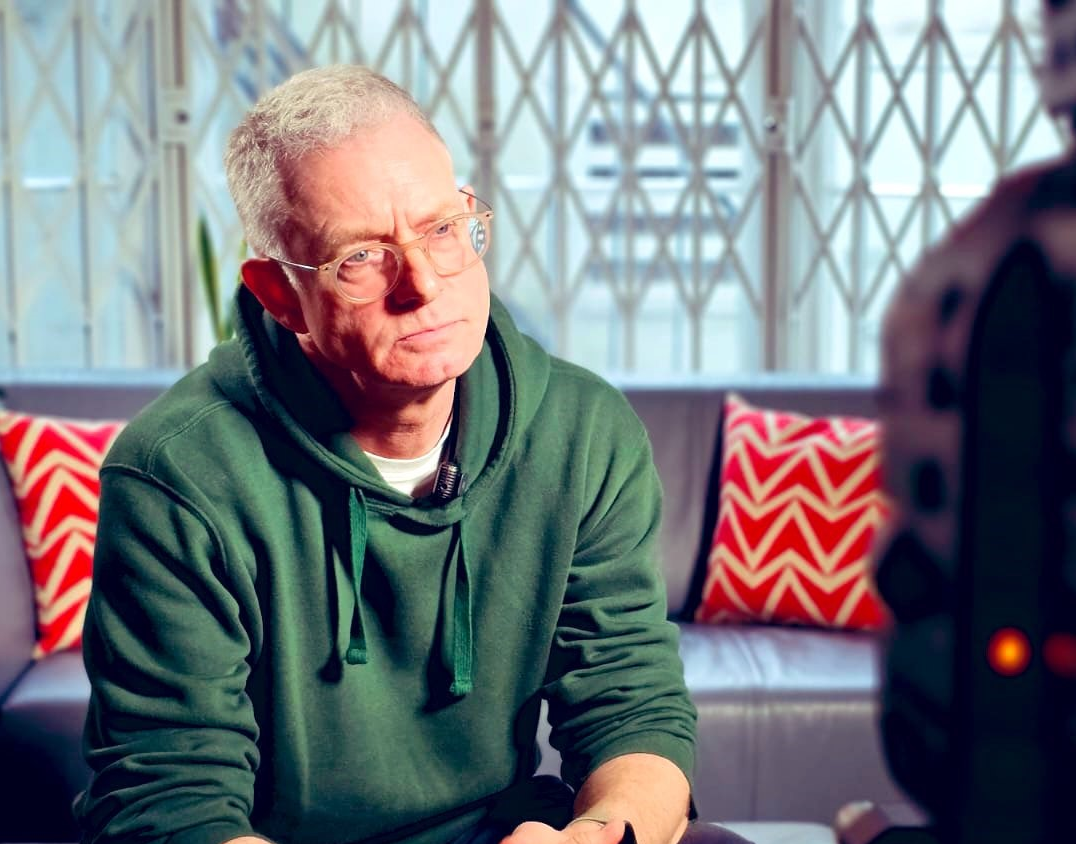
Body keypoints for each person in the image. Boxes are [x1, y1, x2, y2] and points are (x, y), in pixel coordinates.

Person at [75, 65, 748, 844]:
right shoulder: (174, 475)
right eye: (360, 256)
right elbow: (173, 803)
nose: (424, 283)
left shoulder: (583, 429)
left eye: (440, 228)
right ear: (279, 294)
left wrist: (599, 832)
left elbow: (632, 705)